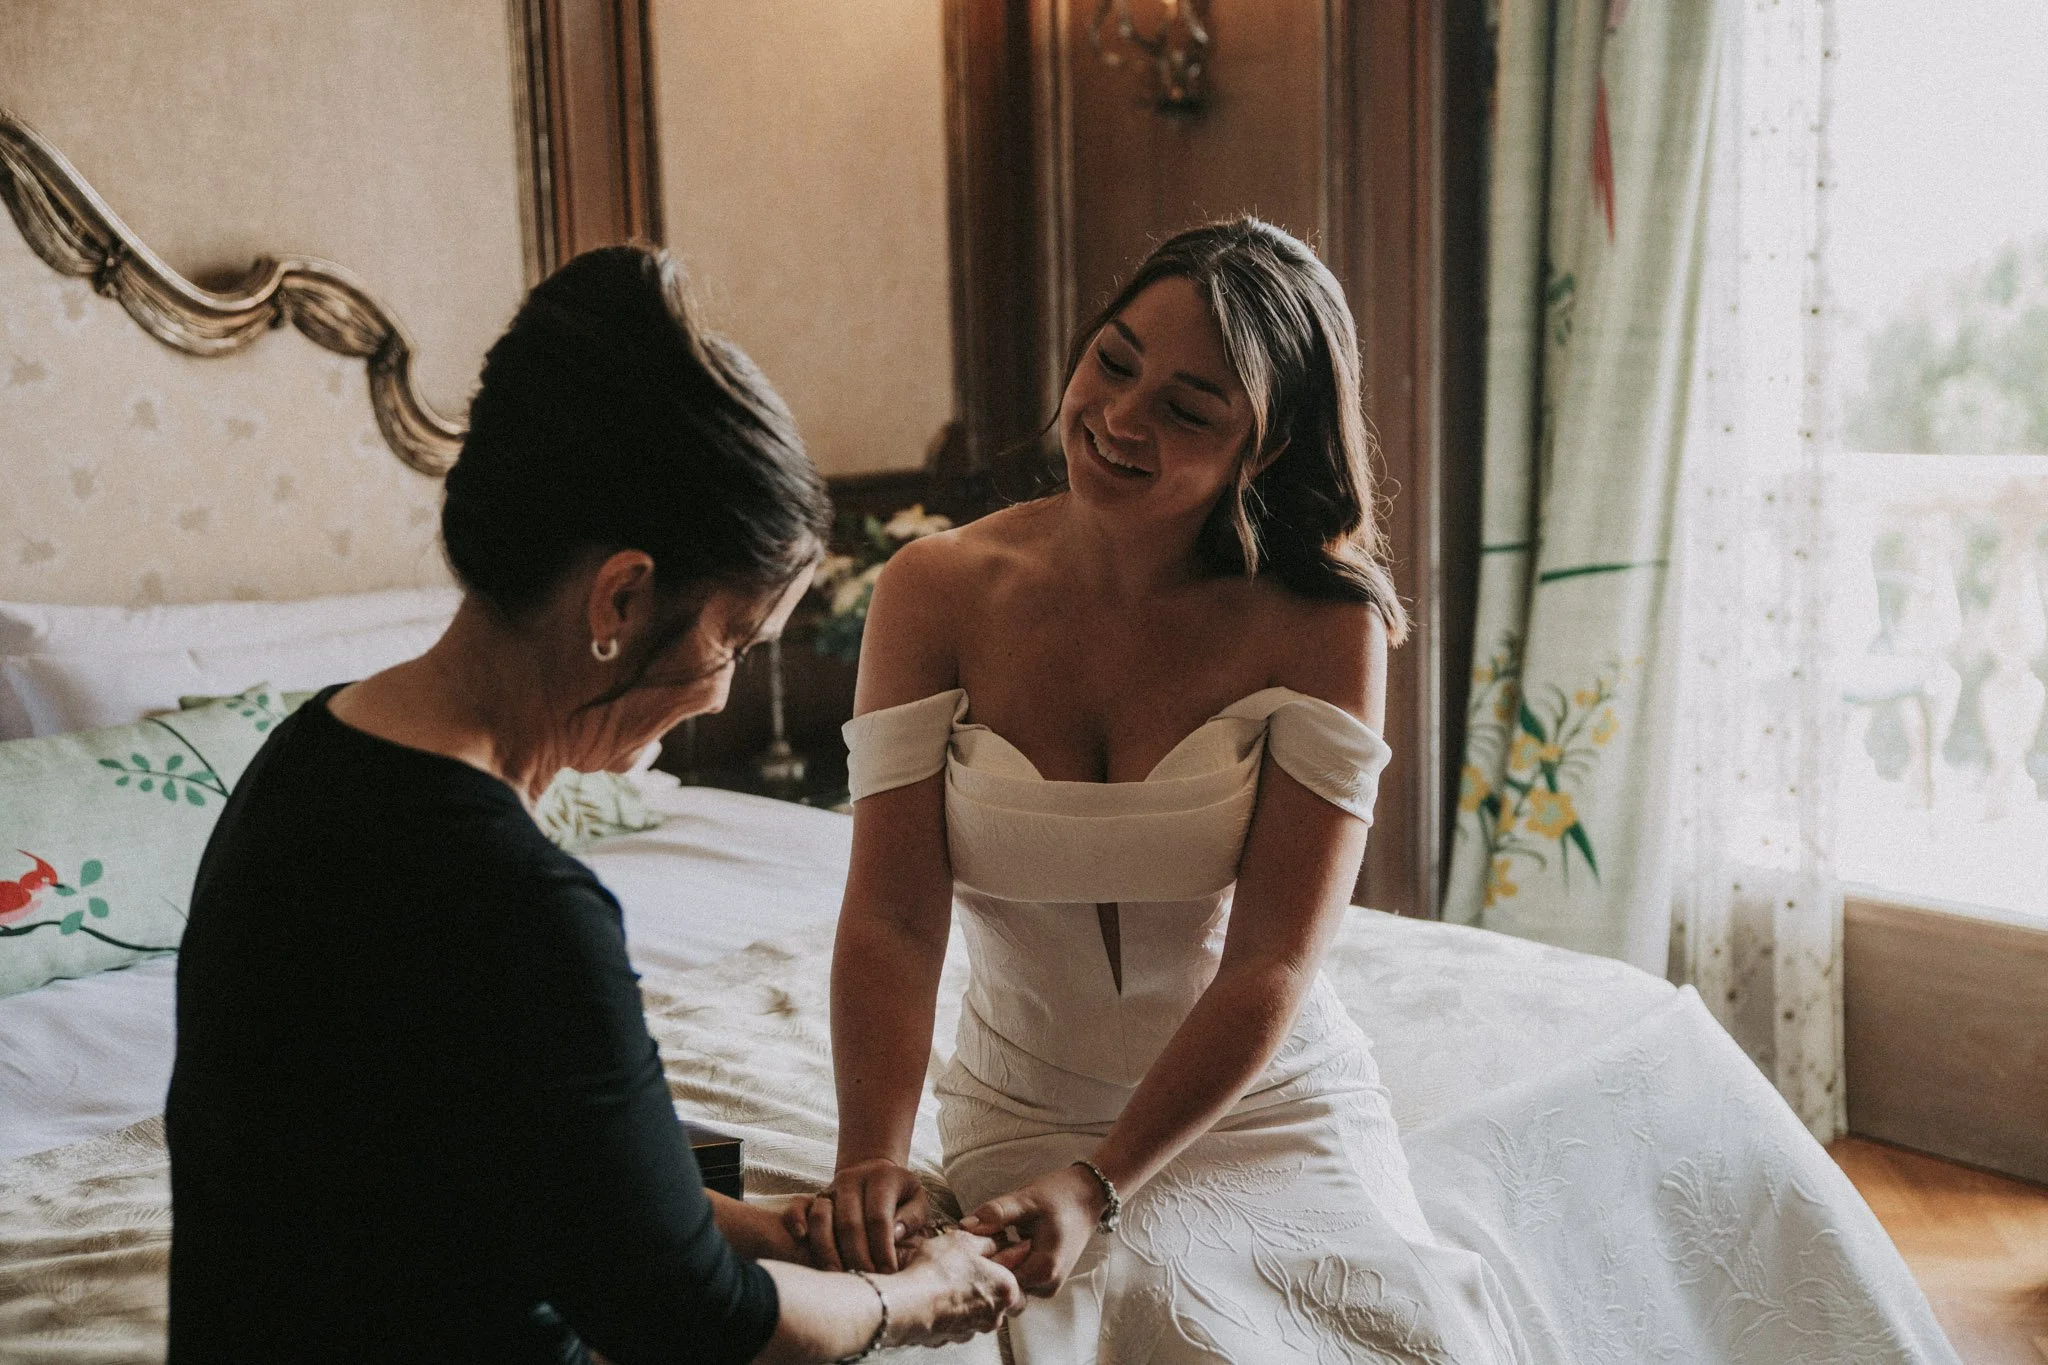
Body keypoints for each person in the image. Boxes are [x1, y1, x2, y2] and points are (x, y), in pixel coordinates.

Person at [166, 245, 1022, 1365]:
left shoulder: (306, 759)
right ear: (620, 596)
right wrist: (921, 1297)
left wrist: (766, 1232)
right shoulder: (516, 901)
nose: (718, 694)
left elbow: (507, 1155)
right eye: (731, 642)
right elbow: (696, 1324)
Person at [813, 219, 1528, 1361]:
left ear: (1265, 445)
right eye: (1113, 361)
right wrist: (872, 1159)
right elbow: (894, 922)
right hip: (1023, 1100)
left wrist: (1102, 1184)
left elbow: (1271, 961)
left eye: (1188, 409)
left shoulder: (1325, 625)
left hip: (1260, 1103)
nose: (1118, 417)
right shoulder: (934, 589)